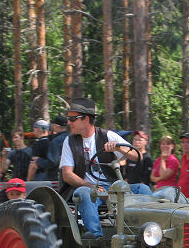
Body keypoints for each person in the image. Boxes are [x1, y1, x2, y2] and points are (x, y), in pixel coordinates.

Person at [59, 97, 152, 238]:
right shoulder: (69, 141)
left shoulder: (107, 135)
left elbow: (136, 155)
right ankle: (97, 238)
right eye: (69, 118)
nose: (68, 122)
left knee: (143, 189)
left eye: (72, 118)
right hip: (88, 190)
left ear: (86, 119)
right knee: (83, 192)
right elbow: (67, 174)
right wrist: (90, 185)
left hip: (112, 189)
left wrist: (119, 148)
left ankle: (147, 234)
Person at [29, 116, 68, 181]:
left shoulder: (56, 141)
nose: (52, 126)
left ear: (56, 126)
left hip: (56, 177)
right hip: (71, 175)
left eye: (53, 124)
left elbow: (52, 162)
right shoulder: (71, 138)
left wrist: (38, 160)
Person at [177, 132, 189, 198]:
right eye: (183, 142)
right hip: (181, 197)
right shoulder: (184, 157)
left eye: (188, 142)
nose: (185, 144)